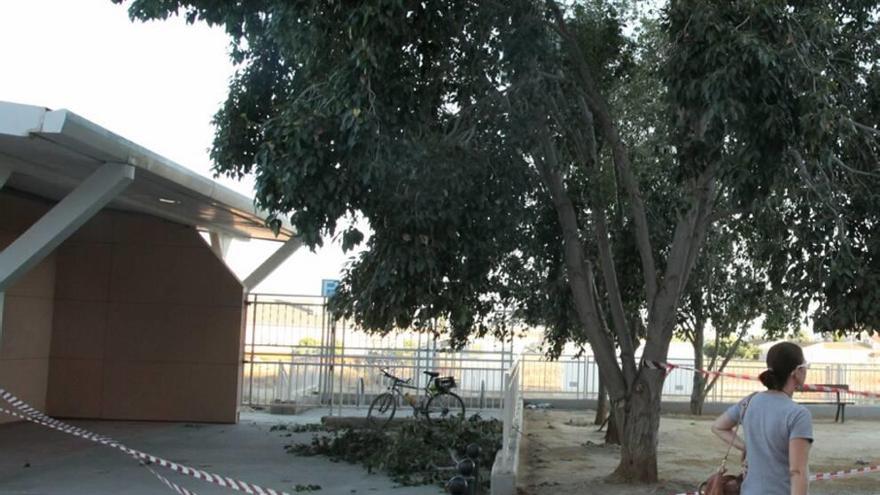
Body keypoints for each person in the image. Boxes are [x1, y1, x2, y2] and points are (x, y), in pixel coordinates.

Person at [711, 342, 813, 495]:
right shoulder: (798, 414)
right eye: (805, 365)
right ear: (797, 371)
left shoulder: (749, 401)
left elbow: (718, 426)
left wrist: (747, 447)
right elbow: (797, 471)